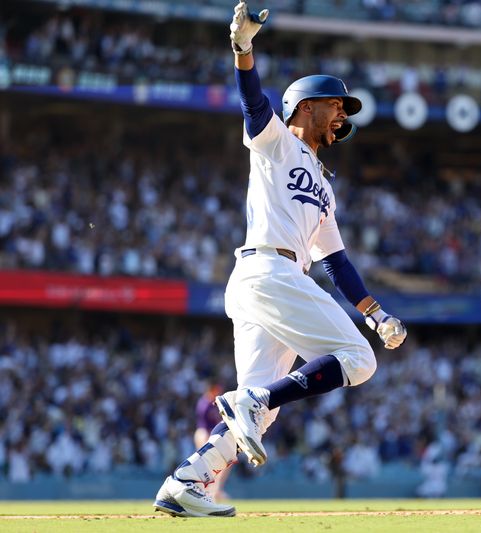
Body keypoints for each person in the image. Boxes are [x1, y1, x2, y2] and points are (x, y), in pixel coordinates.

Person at [153, 2, 407, 518]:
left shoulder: (325, 188)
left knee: (257, 411)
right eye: (336, 104)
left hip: (274, 279)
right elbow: (252, 104)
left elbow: (336, 262)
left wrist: (375, 312)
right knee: (359, 360)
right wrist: (244, 50)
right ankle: (252, 404)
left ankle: (186, 482)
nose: (343, 114)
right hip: (268, 271)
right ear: (304, 107)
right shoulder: (276, 144)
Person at [193, 383, 231, 501]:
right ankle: (207, 491)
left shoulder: (216, 403)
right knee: (209, 465)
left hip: (214, 436)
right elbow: (204, 427)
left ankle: (216, 490)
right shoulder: (205, 404)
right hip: (205, 434)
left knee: (224, 464)